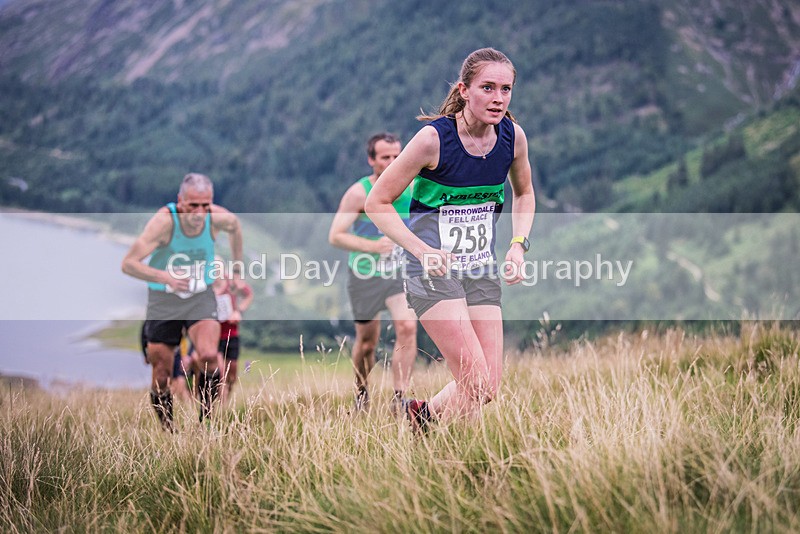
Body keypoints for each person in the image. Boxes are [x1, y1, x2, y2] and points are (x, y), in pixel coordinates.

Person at [365, 48, 535, 432]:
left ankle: (421, 418)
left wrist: (518, 244)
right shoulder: (432, 140)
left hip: (480, 270)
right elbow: (377, 202)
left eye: (506, 89)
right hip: (433, 271)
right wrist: (422, 250)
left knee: (486, 388)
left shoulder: (513, 138)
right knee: (473, 381)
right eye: (487, 87)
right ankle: (449, 452)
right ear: (464, 89)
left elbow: (524, 193)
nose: (498, 98)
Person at [122, 173, 243, 431]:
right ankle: (169, 432)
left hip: (200, 294)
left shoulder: (218, 218)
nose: (199, 212)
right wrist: (165, 277)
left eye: (205, 205)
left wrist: (237, 266)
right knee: (162, 374)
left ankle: (207, 425)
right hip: (164, 299)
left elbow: (235, 227)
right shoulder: (163, 224)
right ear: (180, 201)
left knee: (210, 355)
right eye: (193, 205)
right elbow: (129, 264)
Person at [329, 132, 419, 413]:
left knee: (407, 326)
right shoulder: (358, 193)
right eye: (385, 157)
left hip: (399, 274)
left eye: (397, 156)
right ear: (372, 160)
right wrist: (372, 246)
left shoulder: (413, 187)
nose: (393, 162)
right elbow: (336, 235)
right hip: (365, 275)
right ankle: (361, 393)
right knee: (367, 342)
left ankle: (399, 399)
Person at [213, 261, 253, 404]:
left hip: (231, 333)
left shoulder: (231, 284)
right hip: (214, 336)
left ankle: (225, 402)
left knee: (231, 375)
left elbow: (248, 294)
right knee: (221, 372)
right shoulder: (206, 287)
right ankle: (219, 407)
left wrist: (238, 311)